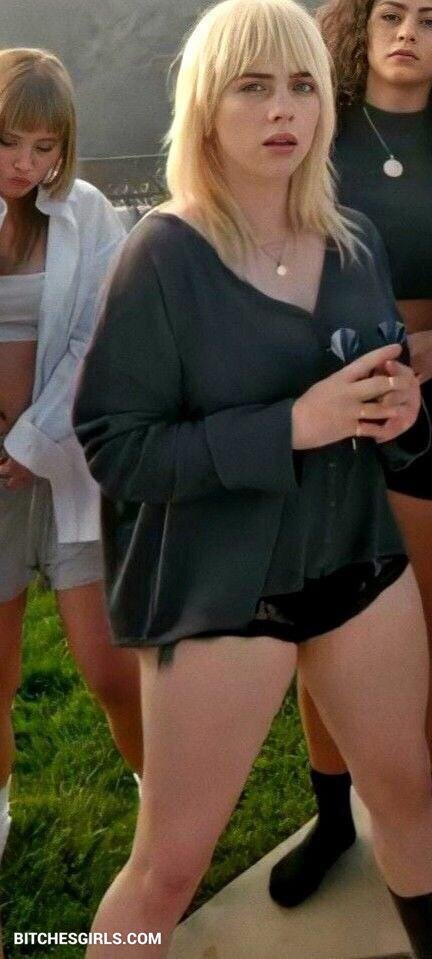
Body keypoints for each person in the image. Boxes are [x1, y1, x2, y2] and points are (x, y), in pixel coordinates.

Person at [73, 1, 432, 956]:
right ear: (206, 107)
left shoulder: (355, 240)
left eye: (300, 86)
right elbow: (117, 446)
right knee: (169, 865)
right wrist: (288, 426)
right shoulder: (163, 255)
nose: (282, 108)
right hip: (221, 591)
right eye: (252, 87)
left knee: (405, 797)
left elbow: (381, 406)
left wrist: (401, 416)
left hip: (358, 565)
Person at [269, 0, 432, 919]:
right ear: (360, 29)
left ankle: (419, 823)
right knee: (318, 614)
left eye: (428, 18)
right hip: (318, 403)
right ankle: (333, 820)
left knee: (419, 617)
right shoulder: (312, 138)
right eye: (389, 13)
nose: (407, 31)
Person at [0, 48, 143, 866]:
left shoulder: (87, 214)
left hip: (68, 472)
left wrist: (33, 441)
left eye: (44, 146)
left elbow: (100, 336)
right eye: (8, 142)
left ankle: (159, 800)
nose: (25, 164)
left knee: (112, 670)